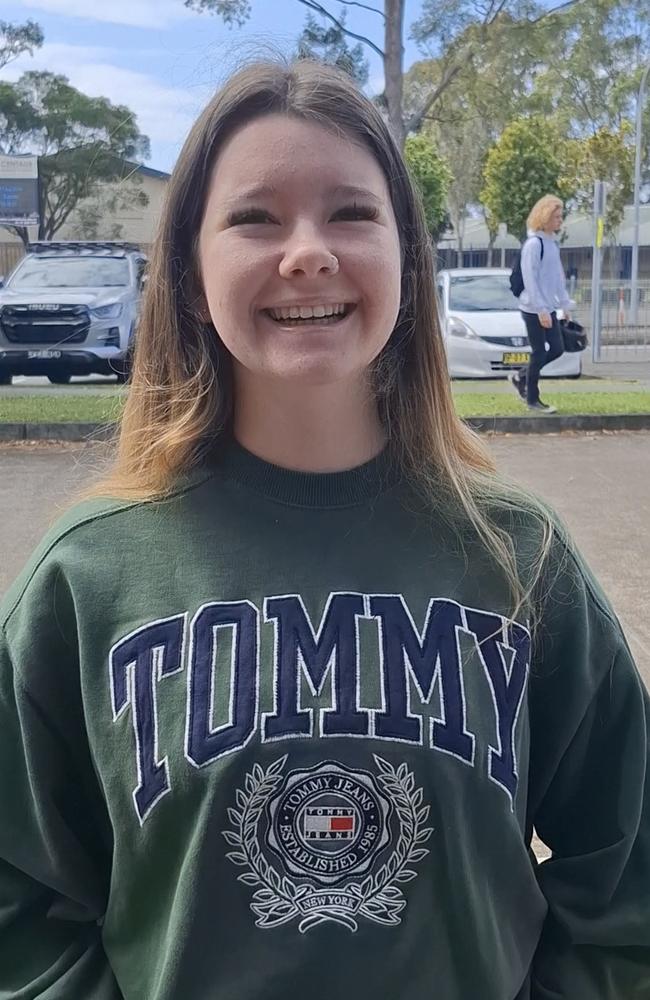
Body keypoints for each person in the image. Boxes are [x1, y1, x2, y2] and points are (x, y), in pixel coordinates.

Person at [0, 60, 648, 1000]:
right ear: (188, 271)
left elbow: (627, 867)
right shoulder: (89, 576)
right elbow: (20, 905)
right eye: (255, 217)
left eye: (351, 212)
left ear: (407, 259)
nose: (307, 252)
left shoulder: (518, 555)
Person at [509, 195, 576, 413]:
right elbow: (530, 279)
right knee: (539, 352)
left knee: (557, 348)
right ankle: (532, 399)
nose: (560, 220)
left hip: (549, 308)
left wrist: (565, 306)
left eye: (560, 216)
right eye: (556, 216)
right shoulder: (533, 244)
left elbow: (557, 279)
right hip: (532, 308)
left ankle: (521, 377)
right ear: (544, 217)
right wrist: (540, 310)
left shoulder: (551, 244)